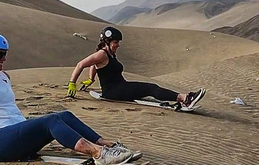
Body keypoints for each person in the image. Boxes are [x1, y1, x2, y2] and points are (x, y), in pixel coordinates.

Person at [0, 31, 139, 165]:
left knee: (64, 115)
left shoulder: (3, 77)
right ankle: (99, 154)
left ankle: (107, 145)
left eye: (5, 54)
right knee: (51, 121)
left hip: (16, 136)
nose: (3, 59)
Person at [67, 26, 206, 109]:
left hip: (120, 88)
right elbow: (81, 64)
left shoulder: (109, 54)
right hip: (115, 92)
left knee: (150, 88)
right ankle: (184, 98)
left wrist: (90, 79)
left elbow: (94, 66)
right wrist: (72, 83)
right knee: (151, 88)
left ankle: (183, 98)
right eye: (115, 42)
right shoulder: (102, 54)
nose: (118, 45)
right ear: (107, 41)